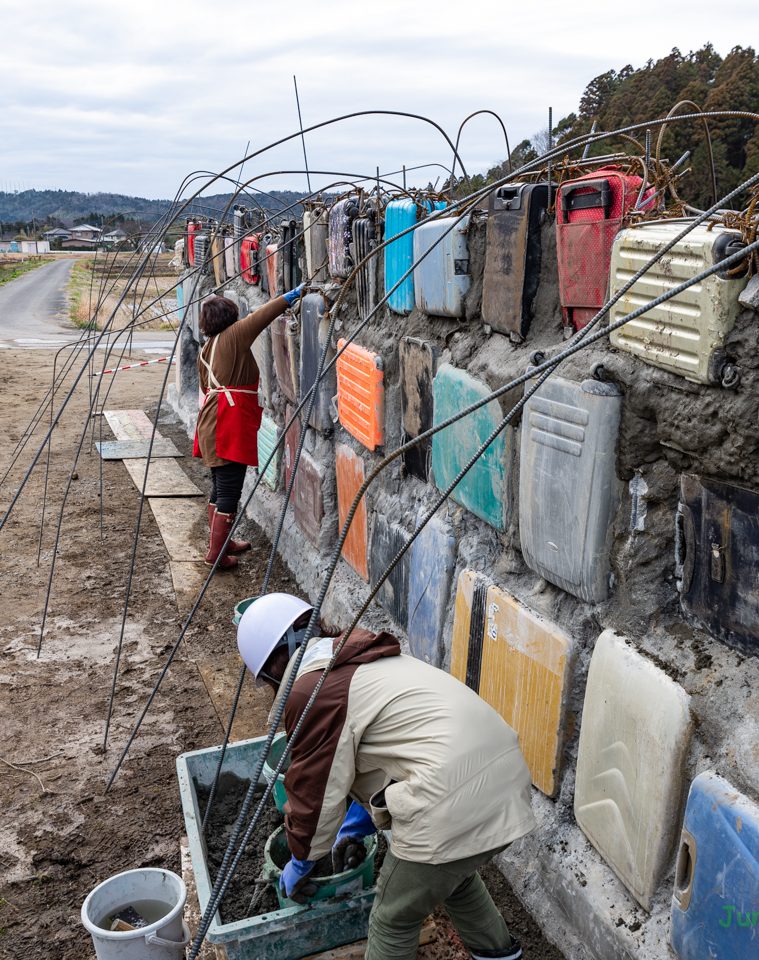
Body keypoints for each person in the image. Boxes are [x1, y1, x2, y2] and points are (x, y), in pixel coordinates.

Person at [236, 593, 535, 960]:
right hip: (503, 773)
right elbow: (387, 748)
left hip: (452, 795)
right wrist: (357, 824)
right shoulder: (359, 658)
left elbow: (315, 793)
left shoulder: (311, 691)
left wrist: (301, 860)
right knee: (448, 876)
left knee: (392, 918)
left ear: (270, 670)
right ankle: (502, 955)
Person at [193, 284, 305, 569]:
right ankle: (216, 556)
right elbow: (263, 315)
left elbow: (206, 387)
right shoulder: (234, 335)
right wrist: (291, 296)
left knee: (220, 486)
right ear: (229, 316)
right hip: (227, 423)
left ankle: (222, 543)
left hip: (211, 421)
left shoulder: (206, 348)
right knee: (230, 489)